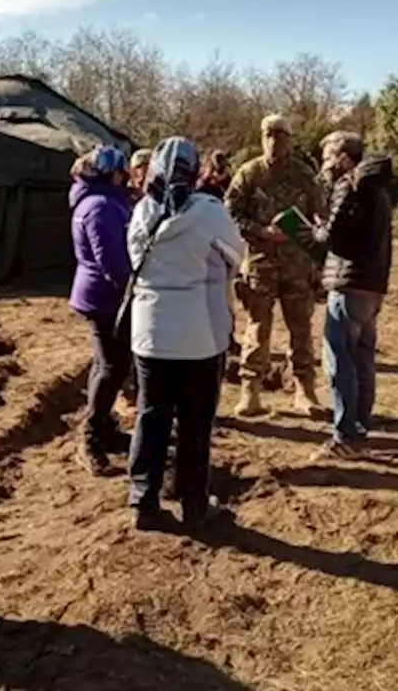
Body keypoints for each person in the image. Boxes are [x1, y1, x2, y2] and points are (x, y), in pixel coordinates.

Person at [126, 137, 245, 530]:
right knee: (195, 424)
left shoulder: (142, 211)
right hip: (199, 334)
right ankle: (195, 506)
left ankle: (143, 502)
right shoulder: (210, 213)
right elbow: (235, 257)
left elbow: (134, 261)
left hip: (149, 333)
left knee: (151, 417)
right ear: (193, 173)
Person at [224, 114, 328, 417]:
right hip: (260, 264)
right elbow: (230, 214)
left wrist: (312, 242)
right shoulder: (249, 173)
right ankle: (250, 392)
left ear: (290, 139)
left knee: (301, 329)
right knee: (258, 329)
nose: (274, 141)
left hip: (298, 266)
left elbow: (321, 216)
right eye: (269, 134)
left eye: (281, 135)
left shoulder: (304, 175)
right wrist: (261, 231)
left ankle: (305, 391)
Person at [306, 132, 393, 458]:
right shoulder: (379, 191)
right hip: (371, 285)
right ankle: (359, 426)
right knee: (362, 359)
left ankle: (345, 436)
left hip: (347, 283)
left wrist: (316, 229)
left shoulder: (349, 185)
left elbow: (334, 237)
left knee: (339, 360)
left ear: (344, 157)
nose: (325, 164)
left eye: (328, 156)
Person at [68, 146, 134, 475]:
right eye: (123, 172)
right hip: (105, 298)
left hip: (99, 294)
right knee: (113, 367)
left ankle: (105, 431)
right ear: (112, 173)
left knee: (105, 364)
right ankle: (90, 440)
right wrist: (131, 288)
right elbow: (112, 259)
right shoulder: (102, 207)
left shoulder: (94, 200)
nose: (126, 178)